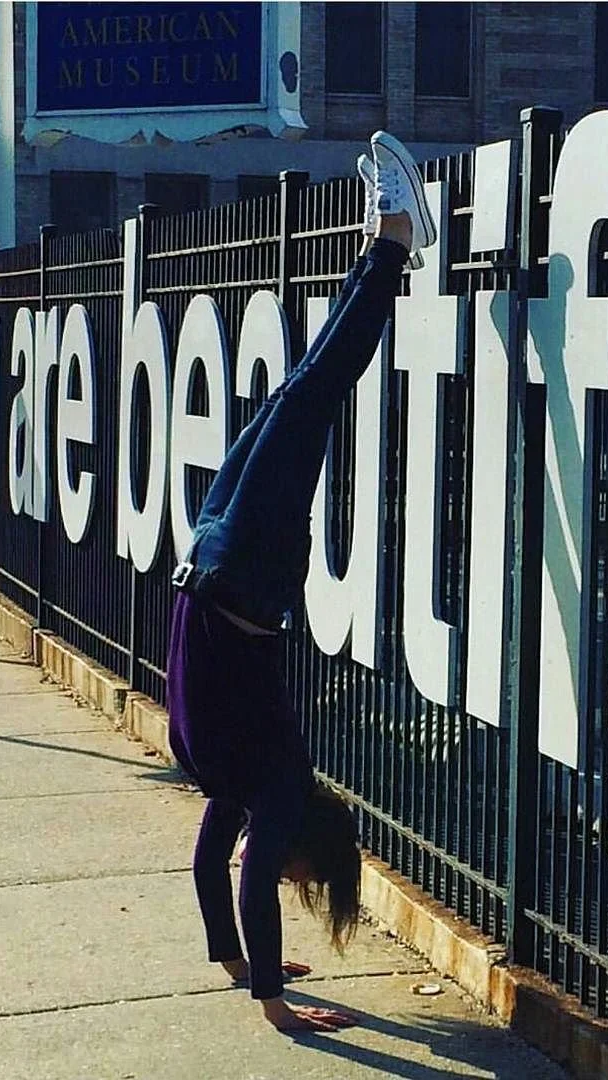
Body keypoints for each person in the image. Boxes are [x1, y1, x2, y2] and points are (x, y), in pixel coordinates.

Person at [165, 131, 437, 1033]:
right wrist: (276, 1007)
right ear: (311, 849)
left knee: (296, 394)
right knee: (314, 395)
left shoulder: (241, 791)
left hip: (216, 557)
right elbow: (246, 870)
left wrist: (238, 962)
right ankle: (394, 238)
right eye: (301, 876)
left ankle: (387, 239)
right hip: (246, 570)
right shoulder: (278, 789)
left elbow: (213, 868)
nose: (282, 876)